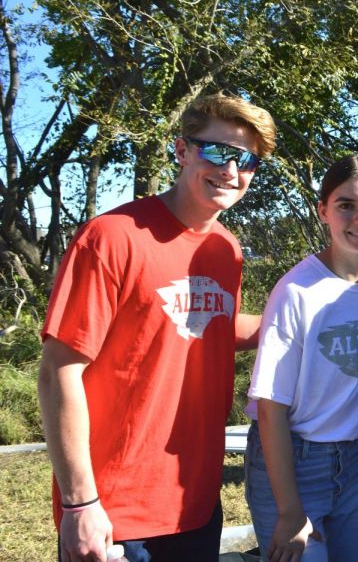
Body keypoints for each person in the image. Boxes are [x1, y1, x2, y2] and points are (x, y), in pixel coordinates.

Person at [38, 93, 277, 561]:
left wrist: (308, 320)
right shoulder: (111, 238)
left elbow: (207, 328)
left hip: (196, 501)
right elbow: (57, 373)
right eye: (218, 151)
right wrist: (80, 503)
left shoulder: (226, 249)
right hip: (115, 513)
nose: (232, 170)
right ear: (182, 149)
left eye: (247, 160)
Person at [244, 155, 358, 562]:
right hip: (293, 461)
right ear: (323, 211)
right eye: (345, 205)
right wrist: (290, 512)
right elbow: (270, 408)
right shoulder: (296, 291)